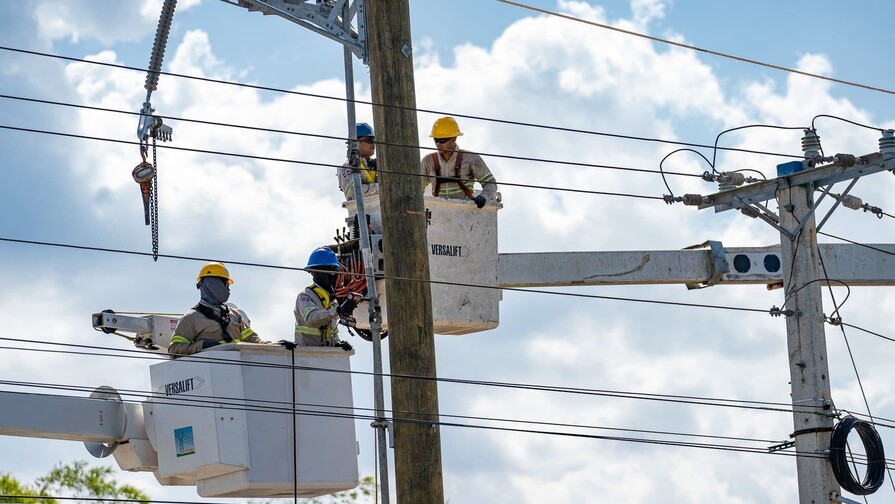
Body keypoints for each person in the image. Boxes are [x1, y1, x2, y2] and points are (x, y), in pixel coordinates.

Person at [168, 262, 266, 356]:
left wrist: (274, 346)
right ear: (212, 284)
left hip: (238, 368)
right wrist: (202, 346)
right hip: (214, 370)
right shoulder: (191, 318)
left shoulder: (235, 315)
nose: (228, 290)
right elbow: (174, 349)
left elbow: (252, 339)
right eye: (226, 285)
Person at [420, 116, 497, 208]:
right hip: (438, 213)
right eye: (435, 140)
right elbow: (417, 187)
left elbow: (490, 183)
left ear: (454, 138)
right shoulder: (428, 162)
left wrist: (483, 197)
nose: (438, 144)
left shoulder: (471, 159)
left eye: (442, 140)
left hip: (465, 212)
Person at [294, 247, 356, 349]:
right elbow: (311, 319)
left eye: (334, 271)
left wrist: (337, 343)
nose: (333, 275)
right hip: (305, 355)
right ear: (316, 272)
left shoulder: (331, 301)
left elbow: (331, 330)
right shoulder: (305, 296)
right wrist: (337, 310)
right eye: (330, 271)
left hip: (325, 356)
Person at [338, 122, 378, 200]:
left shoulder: (376, 165)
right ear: (356, 143)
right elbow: (356, 192)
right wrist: (383, 187)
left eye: (374, 140)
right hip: (361, 211)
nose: (373, 144)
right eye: (369, 140)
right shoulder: (348, 166)